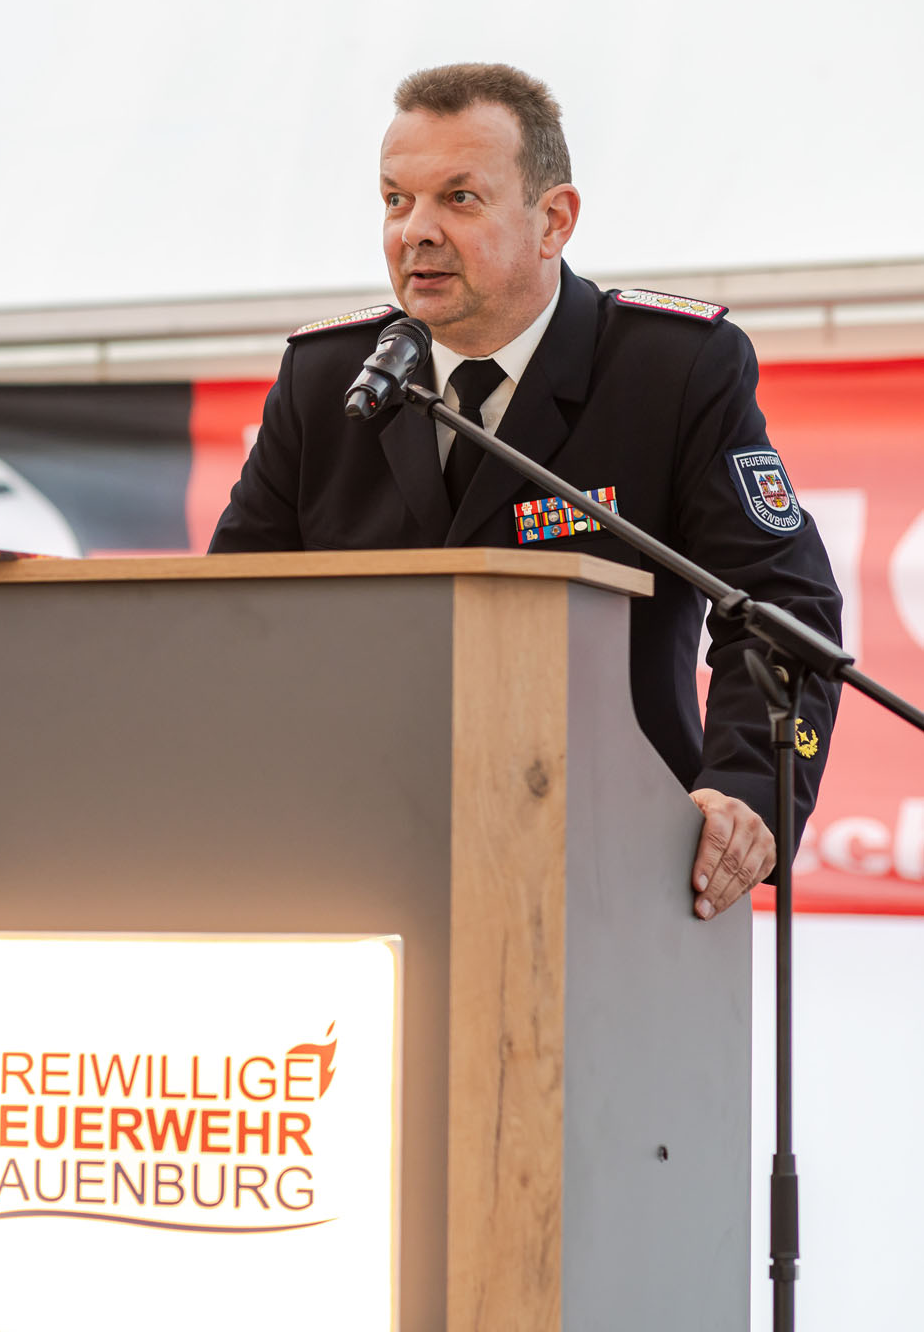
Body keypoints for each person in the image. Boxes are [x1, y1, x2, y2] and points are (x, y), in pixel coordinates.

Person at [208, 62, 841, 921]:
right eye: (395, 200)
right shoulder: (329, 379)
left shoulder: (669, 369)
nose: (414, 232)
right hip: (347, 852)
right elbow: (231, 619)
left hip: (614, 861)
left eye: (458, 199)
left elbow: (780, 603)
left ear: (554, 220)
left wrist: (741, 792)